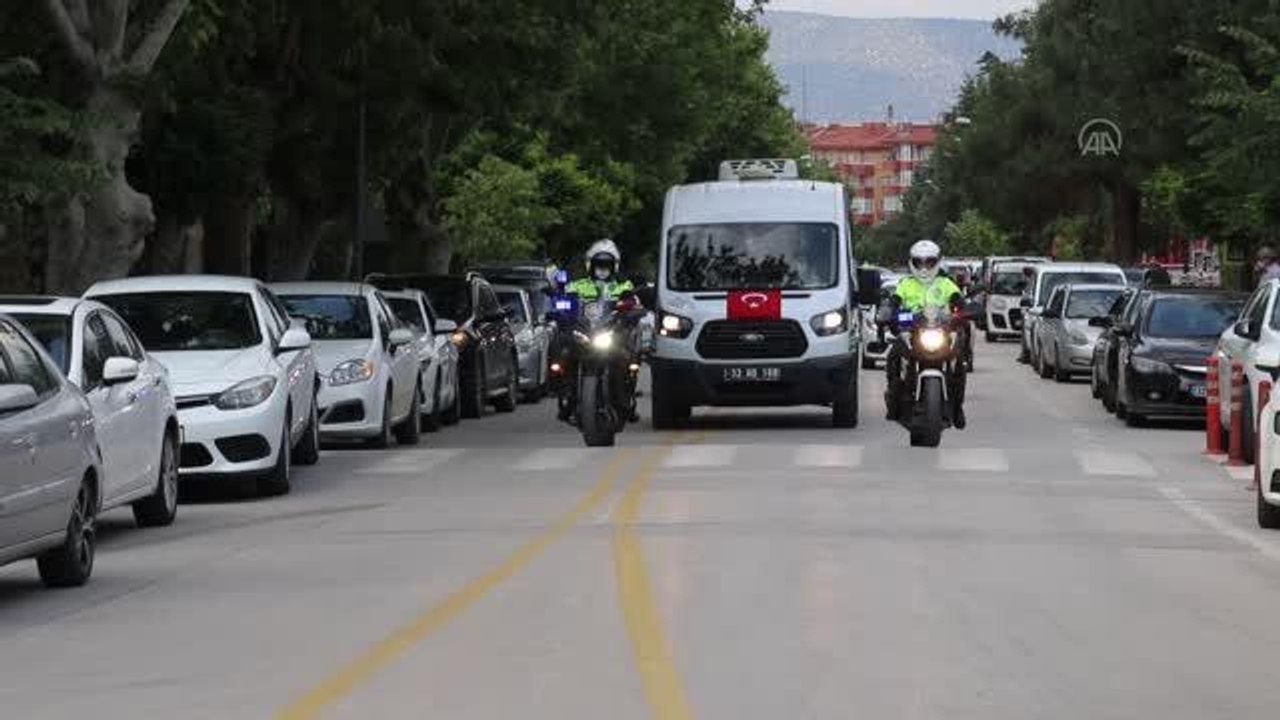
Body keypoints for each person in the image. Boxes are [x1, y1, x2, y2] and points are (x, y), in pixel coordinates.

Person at [882, 240, 969, 429]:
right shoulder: (905, 284)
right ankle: (894, 398)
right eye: (919, 262)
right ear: (911, 262)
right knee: (893, 356)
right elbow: (892, 303)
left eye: (929, 262)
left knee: (960, 363)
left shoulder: (946, 284)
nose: (923, 267)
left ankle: (957, 407)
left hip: (941, 332)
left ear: (937, 262)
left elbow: (959, 303)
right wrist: (888, 311)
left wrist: (964, 311)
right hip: (912, 333)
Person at [566, 239, 635, 300]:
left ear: (614, 266)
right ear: (591, 265)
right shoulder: (576, 286)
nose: (603, 269)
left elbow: (637, 307)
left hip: (615, 314)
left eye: (607, 265)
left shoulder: (625, 286)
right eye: (599, 264)